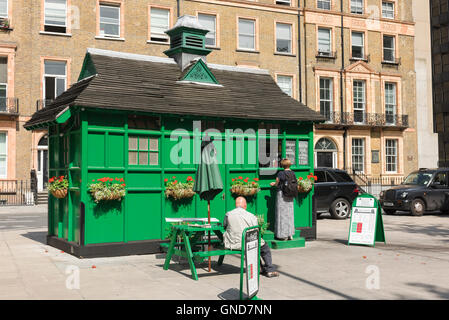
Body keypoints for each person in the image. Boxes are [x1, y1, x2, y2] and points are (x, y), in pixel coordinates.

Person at [223, 196, 279, 278]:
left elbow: (225, 226)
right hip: (248, 243)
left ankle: (259, 268)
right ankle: (269, 269)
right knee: (264, 247)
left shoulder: (228, 214)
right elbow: (256, 230)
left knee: (255, 246)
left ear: (236, 205)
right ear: (245, 205)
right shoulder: (251, 216)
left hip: (232, 243)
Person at [270, 158, 296, 241]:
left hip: (282, 194)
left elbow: (277, 183)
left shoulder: (281, 173)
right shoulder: (293, 173)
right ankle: (290, 234)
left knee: (281, 214)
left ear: (282, 165)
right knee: (289, 214)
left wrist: (273, 184)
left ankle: (283, 235)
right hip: (290, 195)